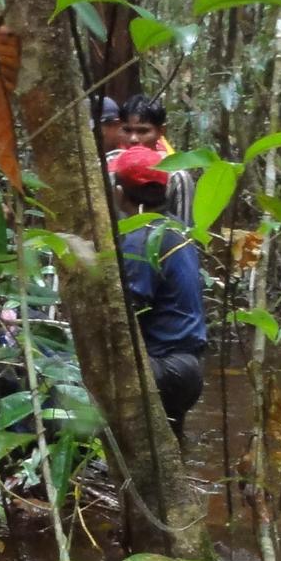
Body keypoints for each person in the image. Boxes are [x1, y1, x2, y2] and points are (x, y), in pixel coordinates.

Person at [105, 146, 207, 439]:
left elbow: (130, 310)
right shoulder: (177, 228)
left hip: (163, 368)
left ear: (120, 193)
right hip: (188, 367)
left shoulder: (142, 237)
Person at [117, 92, 194, 222]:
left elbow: (184, 230)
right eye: (127, 130)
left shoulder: (176, 177)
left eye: (143, 131)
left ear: (161, 131)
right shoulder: (110, 168)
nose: (133, 139)